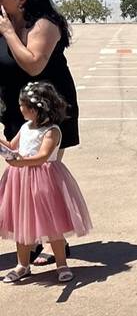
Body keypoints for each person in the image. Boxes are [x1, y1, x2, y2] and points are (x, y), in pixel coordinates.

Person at [0, 0, 80, 266]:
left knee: (40, 179)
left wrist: (8, 33)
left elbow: (33, 64)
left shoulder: (44, 24)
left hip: (49, 114)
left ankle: (51, 241)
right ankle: (32, 240)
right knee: (21, 178)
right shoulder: (6, 21)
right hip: (17, 109)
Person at [0, 81, 92, 283]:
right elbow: (12, 146)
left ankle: (61, 264)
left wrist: (19, 161)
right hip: (21, 181)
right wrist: (4, 146)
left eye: (22, 105)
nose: (20, 108)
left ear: (35, 108)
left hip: (44, 180)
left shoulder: (52, 131)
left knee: (52, 225)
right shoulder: (25, 126)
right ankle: (22, 265)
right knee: (22, 225)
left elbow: (42, 156)